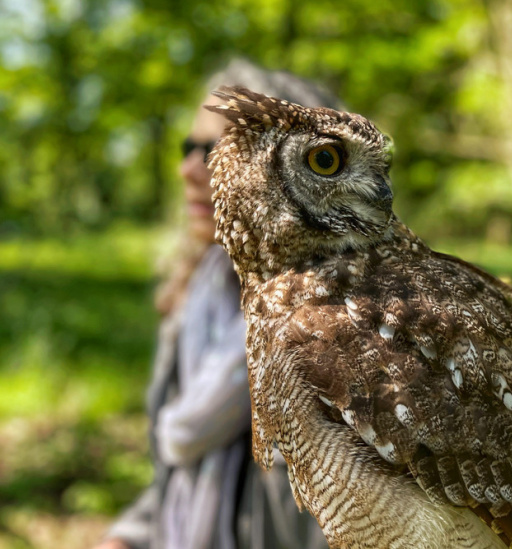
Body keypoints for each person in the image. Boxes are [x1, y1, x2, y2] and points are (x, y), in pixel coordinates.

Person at [95, 59, 341, 549]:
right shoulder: (200, 301)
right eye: (189, 147)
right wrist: (126, 538)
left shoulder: (341, 333)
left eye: (216, 151)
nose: (188, 169)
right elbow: (181, 474)